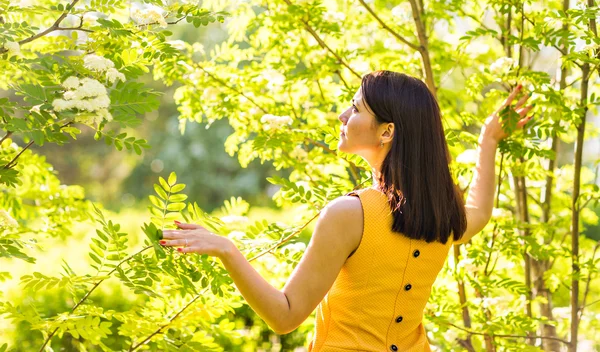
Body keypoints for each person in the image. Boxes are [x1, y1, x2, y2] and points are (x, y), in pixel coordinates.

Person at [159, 70, 535, 351]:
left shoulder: (350, 213)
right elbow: (479, 214)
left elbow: (285, 315)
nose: (342, 116)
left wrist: (227, 249)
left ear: (386, 132)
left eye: (355, 108)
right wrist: (489, 140)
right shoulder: (441, 214)